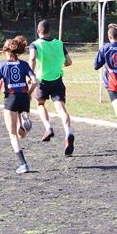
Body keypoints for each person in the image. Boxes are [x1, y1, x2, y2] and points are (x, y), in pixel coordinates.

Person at [0, 35, 38, 174]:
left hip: (10, 98)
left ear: (5, 51)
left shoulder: (1, 65)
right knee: (21, 134)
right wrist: (29, 93)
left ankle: (23, 164)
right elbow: (35, 81)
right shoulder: (24, 64)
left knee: (12, 134)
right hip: (23, 97)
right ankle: (24, 123)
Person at [29, 19, 75, 156]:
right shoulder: (59, 43)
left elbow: (32, 59)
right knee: (61, 109)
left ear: (38, 31)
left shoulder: (35, 44)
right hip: (57, 80)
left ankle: (48, 127)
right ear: (50, 31)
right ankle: (68, 132)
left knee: (40, 104)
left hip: (42, 81)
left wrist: (30, 74)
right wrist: (58, 65)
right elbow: (69, 62)